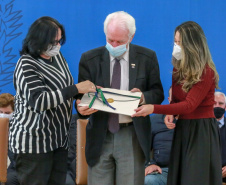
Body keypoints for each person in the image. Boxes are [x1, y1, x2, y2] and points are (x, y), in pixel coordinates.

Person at [76, 11, 164, 185]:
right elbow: (80, 98)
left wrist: (142, 97)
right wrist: (81, 108)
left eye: (120, 41)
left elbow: (158, 93)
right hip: (100, 134)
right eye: (110, 40)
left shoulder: (147, 58)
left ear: (131, 37)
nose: (114, 45)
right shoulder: (89, 59)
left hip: (131, 134)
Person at [8, 16, 95, 185]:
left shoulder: (57, 57)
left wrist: (79, 101)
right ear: (38, 39)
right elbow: (40, 101)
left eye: (59, 40)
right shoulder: (26, 64)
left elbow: (64, 88)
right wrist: (77, 89)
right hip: (33, 145)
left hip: (58, 141)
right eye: (53, 41)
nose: (57, 45)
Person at [132, 21, 222, 185]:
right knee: (179, 177)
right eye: (175, 41)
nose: (176, 46)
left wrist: (153, 108)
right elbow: (176, 100)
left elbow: (189, 105)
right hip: (183, 129)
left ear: (192, 45)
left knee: (195, 179)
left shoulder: (206, 71)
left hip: (201, 131)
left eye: (180, 42)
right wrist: (169, 112)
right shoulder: (177, 68)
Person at [145, 87, 174, 185]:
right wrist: (150, 164)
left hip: (189, 172)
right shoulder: (155, 121)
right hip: (163, 171)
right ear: (169, 100)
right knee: (149, 181)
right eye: (175, 97)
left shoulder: (193, 122)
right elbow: (143, 147)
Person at [0, 93, 19, 185]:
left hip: (22, 167)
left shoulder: (20, 127)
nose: (3, 116)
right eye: (0, 112)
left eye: (7, 113)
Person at [214, 91, 226, 183]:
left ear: (225, 107)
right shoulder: (201, 127)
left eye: (221, 103)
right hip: (205, 171)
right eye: (214, 103)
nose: (217, 106)